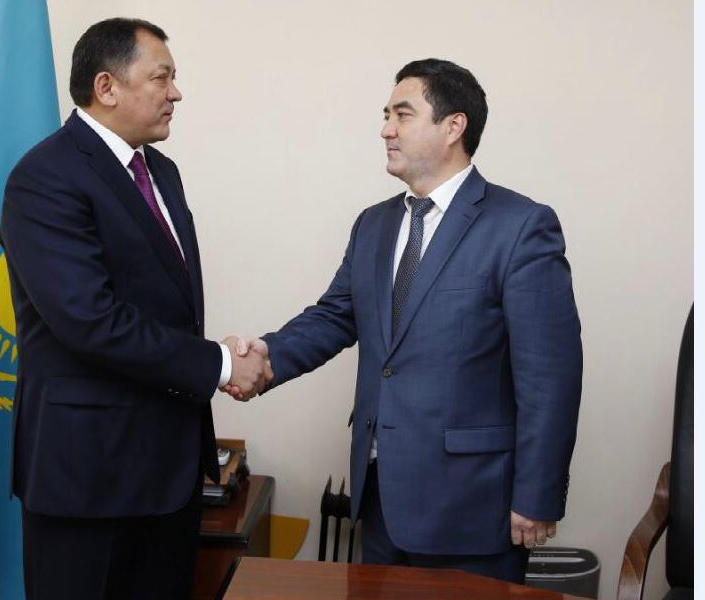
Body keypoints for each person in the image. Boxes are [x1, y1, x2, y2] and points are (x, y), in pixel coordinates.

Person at [227, 59, 582, 584]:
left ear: (453, 126)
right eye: (386, 115)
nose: (386, 129)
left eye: (402, 114)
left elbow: (551, 376)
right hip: (380, 501)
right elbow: (335, 315)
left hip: (472, 507)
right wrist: (268, 356)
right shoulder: (373, 224)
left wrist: (538, 495)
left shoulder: (521, 226)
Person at [0, 18, 269, 600]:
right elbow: (90, 321)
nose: (176, 93)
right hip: (87, 476)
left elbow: (163, 303)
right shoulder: (44, 177)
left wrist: (215, 358)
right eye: (161, 77)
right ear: (107, 87)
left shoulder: (160, 171)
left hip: (168, 472)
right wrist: (220, 364)